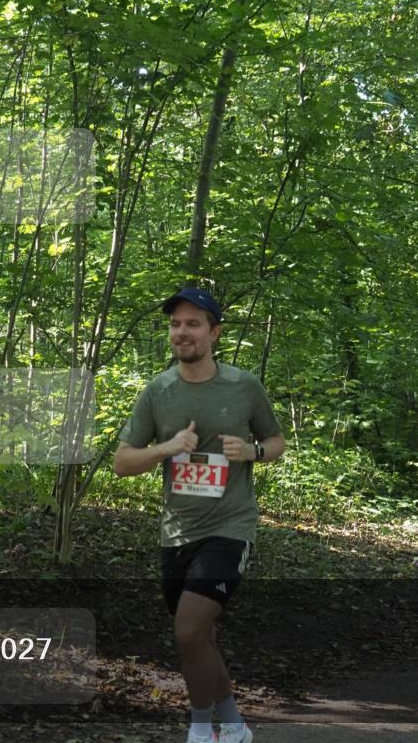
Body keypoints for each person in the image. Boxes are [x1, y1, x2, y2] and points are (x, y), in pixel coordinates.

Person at [113, 287, 285, 743]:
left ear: (214, 332)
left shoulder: (244, 385)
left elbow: (277, 443)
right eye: (175, 324)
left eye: (192, 324)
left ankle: (199, 730)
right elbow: (122, 462)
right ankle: (233, 726)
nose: (182, 332)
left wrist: (252, 451)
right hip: (176, 531)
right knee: (199, 638)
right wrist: (167, 448)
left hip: (229, 526)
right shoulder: (158, 391)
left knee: (188, 629)